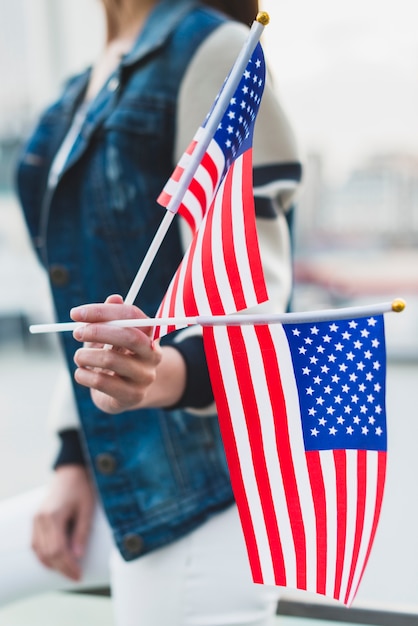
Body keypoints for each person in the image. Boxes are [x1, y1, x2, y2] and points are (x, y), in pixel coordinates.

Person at [1, 0, 302, 624]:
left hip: (204, 489)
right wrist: (73, 462)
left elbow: (253, 300)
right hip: (119, 470)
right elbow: (86, 295)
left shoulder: (216, 51)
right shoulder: (83, 85)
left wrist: (157, 373)